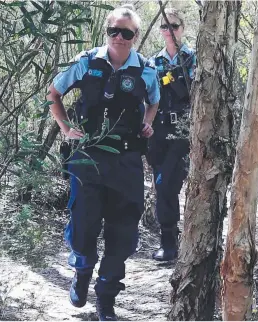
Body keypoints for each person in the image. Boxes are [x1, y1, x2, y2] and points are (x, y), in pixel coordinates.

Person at [47, 5, 159, 320]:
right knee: (83, 226)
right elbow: (53, 93)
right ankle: (82, 270)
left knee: (122, 232)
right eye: (115, 31)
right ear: (107, 31)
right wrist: (66, 128)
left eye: (128, 33)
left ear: (135, 37)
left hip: (126, 161)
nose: (120, 38)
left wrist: (148, 122)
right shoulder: (86, 63)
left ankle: (106, 297)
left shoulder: (146, 69)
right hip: (88, 157)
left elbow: (155, 100)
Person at [146, 7, 196, 261]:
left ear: (182, 28)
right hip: (158, 133)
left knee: (168, 184)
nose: (169, 31)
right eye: (165, 26)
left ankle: (175, 243)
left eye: (174, 26)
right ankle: (169, 243)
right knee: (162, 186)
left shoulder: (193, 58)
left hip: (183, 133)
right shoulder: (153, 61)